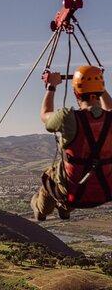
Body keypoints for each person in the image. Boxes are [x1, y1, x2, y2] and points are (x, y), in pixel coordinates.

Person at [31, 65, 112, 221]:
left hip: (71, 191)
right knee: (77, 176)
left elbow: (44, 116)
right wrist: (100, 87)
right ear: (101, 92)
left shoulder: (68, 118)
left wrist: (51, 87)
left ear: (76, 93)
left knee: (50, 179)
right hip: (105, 191)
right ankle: (65, 208)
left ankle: (41, 211)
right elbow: (109, 107)